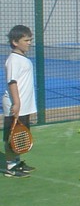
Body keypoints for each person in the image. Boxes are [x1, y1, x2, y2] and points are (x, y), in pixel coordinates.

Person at [3, 25, 36, 178]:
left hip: (24, 106)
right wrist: (16, 103)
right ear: (15, 42)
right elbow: (12, 82)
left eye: (30, 40)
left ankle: (17, 162)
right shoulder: (13, 60)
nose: (29, 43)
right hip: (15, 106)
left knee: (19, 137)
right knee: (12, 137)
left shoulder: (22, 58)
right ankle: (10, 167)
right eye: (26, 40)